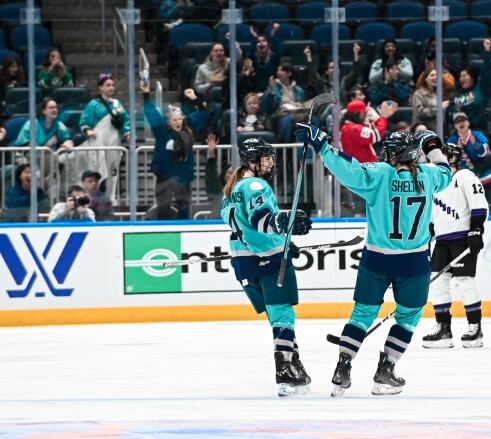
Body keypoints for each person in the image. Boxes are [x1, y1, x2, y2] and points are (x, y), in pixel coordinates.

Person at [294, 124, 451, 396]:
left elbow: (347, 168)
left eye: (389, 152)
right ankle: (386, 370)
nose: (384, 157)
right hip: (413, 262)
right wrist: (433, 146)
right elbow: (447, 171)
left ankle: (342, 367)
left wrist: (322, 145)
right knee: (407, 318)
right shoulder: (428, 176)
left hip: (376, 259)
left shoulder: (378, 174)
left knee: (362, 314)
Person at [220, 135, 314, 396]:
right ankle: (284, 369)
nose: (271, 162)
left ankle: (293, 364)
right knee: (283, 314)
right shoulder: (254, 186)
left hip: (244, 262)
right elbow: (260, 219)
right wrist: (282, 223)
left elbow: (248, 228)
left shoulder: (231, 191)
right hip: (268, 260)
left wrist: (284, 240)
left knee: (276, 317)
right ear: (252, 160)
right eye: (266, 157)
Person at [423, 142, 489, 348]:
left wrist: (476, 229)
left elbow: (479, 204)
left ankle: (474, 327)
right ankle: (443, 329)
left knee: (464, 280)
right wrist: (427, 236)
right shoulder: (435, 183)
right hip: (442, 241)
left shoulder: (465, 177)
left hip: (462, 238)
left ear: (451, 157)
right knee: (438, 283)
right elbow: (433, 216)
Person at [141, 80, 208, 220]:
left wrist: (195, 100)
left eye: (180, 119)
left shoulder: (188, 127)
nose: (178, 122)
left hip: (184, 180)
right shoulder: (162, 131)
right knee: (165, 213)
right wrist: (146, 94)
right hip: (165, 180)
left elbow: (203, 115)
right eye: (174, 120)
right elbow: (152, 113)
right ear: (168, 122)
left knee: (184, 212)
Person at [78, 73, 131, 200]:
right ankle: (91, 199)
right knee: (96, 170)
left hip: (114, 141)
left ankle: (110, 199)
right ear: (100, 88)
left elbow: (125, 120)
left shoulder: (117, 104)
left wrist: (127, 132)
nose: (111, 87)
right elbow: (84, 121)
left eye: (112, 85)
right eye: (108, 85)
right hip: (97, 142)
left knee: (113, 170)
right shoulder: (93, 104)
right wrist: (88, 130)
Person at [447, 39, 491, 132]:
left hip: (478, 131)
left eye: (464, 75)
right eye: (460, 76)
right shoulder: (455, 95)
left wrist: (487, 52)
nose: (461, 78)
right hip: (459, 132)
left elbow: (486, 73)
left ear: (472, 78)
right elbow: (450, 115)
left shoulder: (480, 90)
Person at [261, 62, 306, 143]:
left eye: (281, 70)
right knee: (291, 120)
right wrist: (271, 90)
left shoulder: (299, 90)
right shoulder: (273, 88)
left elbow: (301, 105)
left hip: (297, 113)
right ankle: (287, 150)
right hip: (280, 115)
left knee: (313, 119)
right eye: (278, 70)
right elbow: (268, 107)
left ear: (289, 73)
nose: (278, 72)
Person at [251, 24, 281, 93]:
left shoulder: (273, 57)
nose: (261, 43)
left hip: (272, 90)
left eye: (264, 41)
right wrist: (255, 38)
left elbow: (278, 52)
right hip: (256, 91)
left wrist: (273, 34)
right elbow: (248, 55)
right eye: (258, 42)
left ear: (268, 45)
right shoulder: (254, 58)